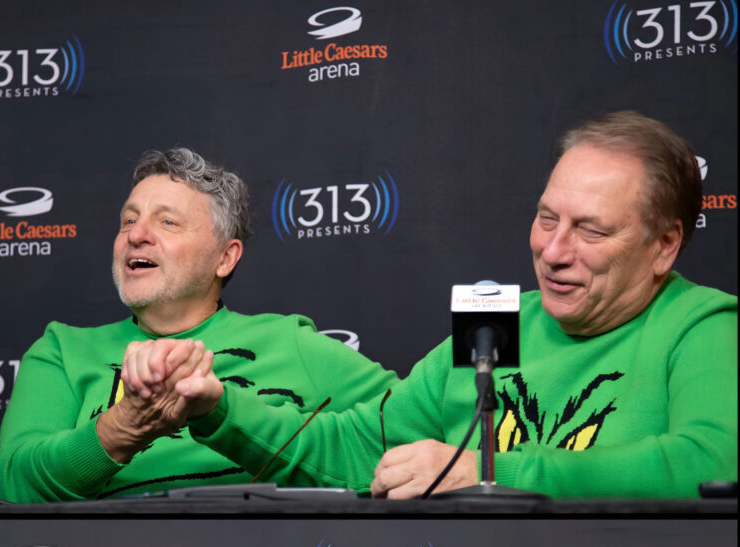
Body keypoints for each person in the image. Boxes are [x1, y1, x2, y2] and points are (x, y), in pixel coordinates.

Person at [146, 112, 737, 499]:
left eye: (592, 231)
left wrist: (489, 474)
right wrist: (217, 408)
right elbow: (358, 448)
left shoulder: (703, 325)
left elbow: (707, 466)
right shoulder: (498, 320)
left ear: (664, 246)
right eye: (546, 218)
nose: (553, 251)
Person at [0, 147, 397, 501]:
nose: (137, 235)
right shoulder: (63, 350)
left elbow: (412, 424)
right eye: (128, 221)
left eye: (167, 222)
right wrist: (121, 429)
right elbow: (15, 484)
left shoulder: (287, 341)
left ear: (225, 257)